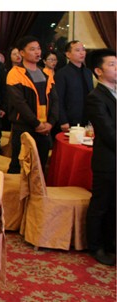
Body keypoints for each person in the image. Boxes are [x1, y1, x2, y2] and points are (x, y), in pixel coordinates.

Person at [6, 34, 58, 173]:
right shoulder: (15, 73)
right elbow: (19, 103)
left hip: (45, 127)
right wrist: (36, 124)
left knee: (39, 167)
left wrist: (50, 123)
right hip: (24, 127)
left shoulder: (46, 73)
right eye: (32, 49)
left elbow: (55, 100)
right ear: (22, 53)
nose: (37, 52)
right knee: (19, 166)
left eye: (38, 48)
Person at [85, 49, 116, 266]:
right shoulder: (95, 97)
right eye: (112, 64)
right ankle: (95, 246)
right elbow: (108, 132)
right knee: (101, 204)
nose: (116, 68)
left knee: (114, 205)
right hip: (107, 160)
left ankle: (111, 242)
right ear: (98, 71)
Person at [53, 40, 94, 131]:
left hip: (87, 118)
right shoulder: (62, 73)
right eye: (77, 50)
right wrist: (63, 120)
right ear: (68, 54)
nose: (82, 53)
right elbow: (58, 99)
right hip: (70, 120)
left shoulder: (88, 72)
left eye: (83, 50)